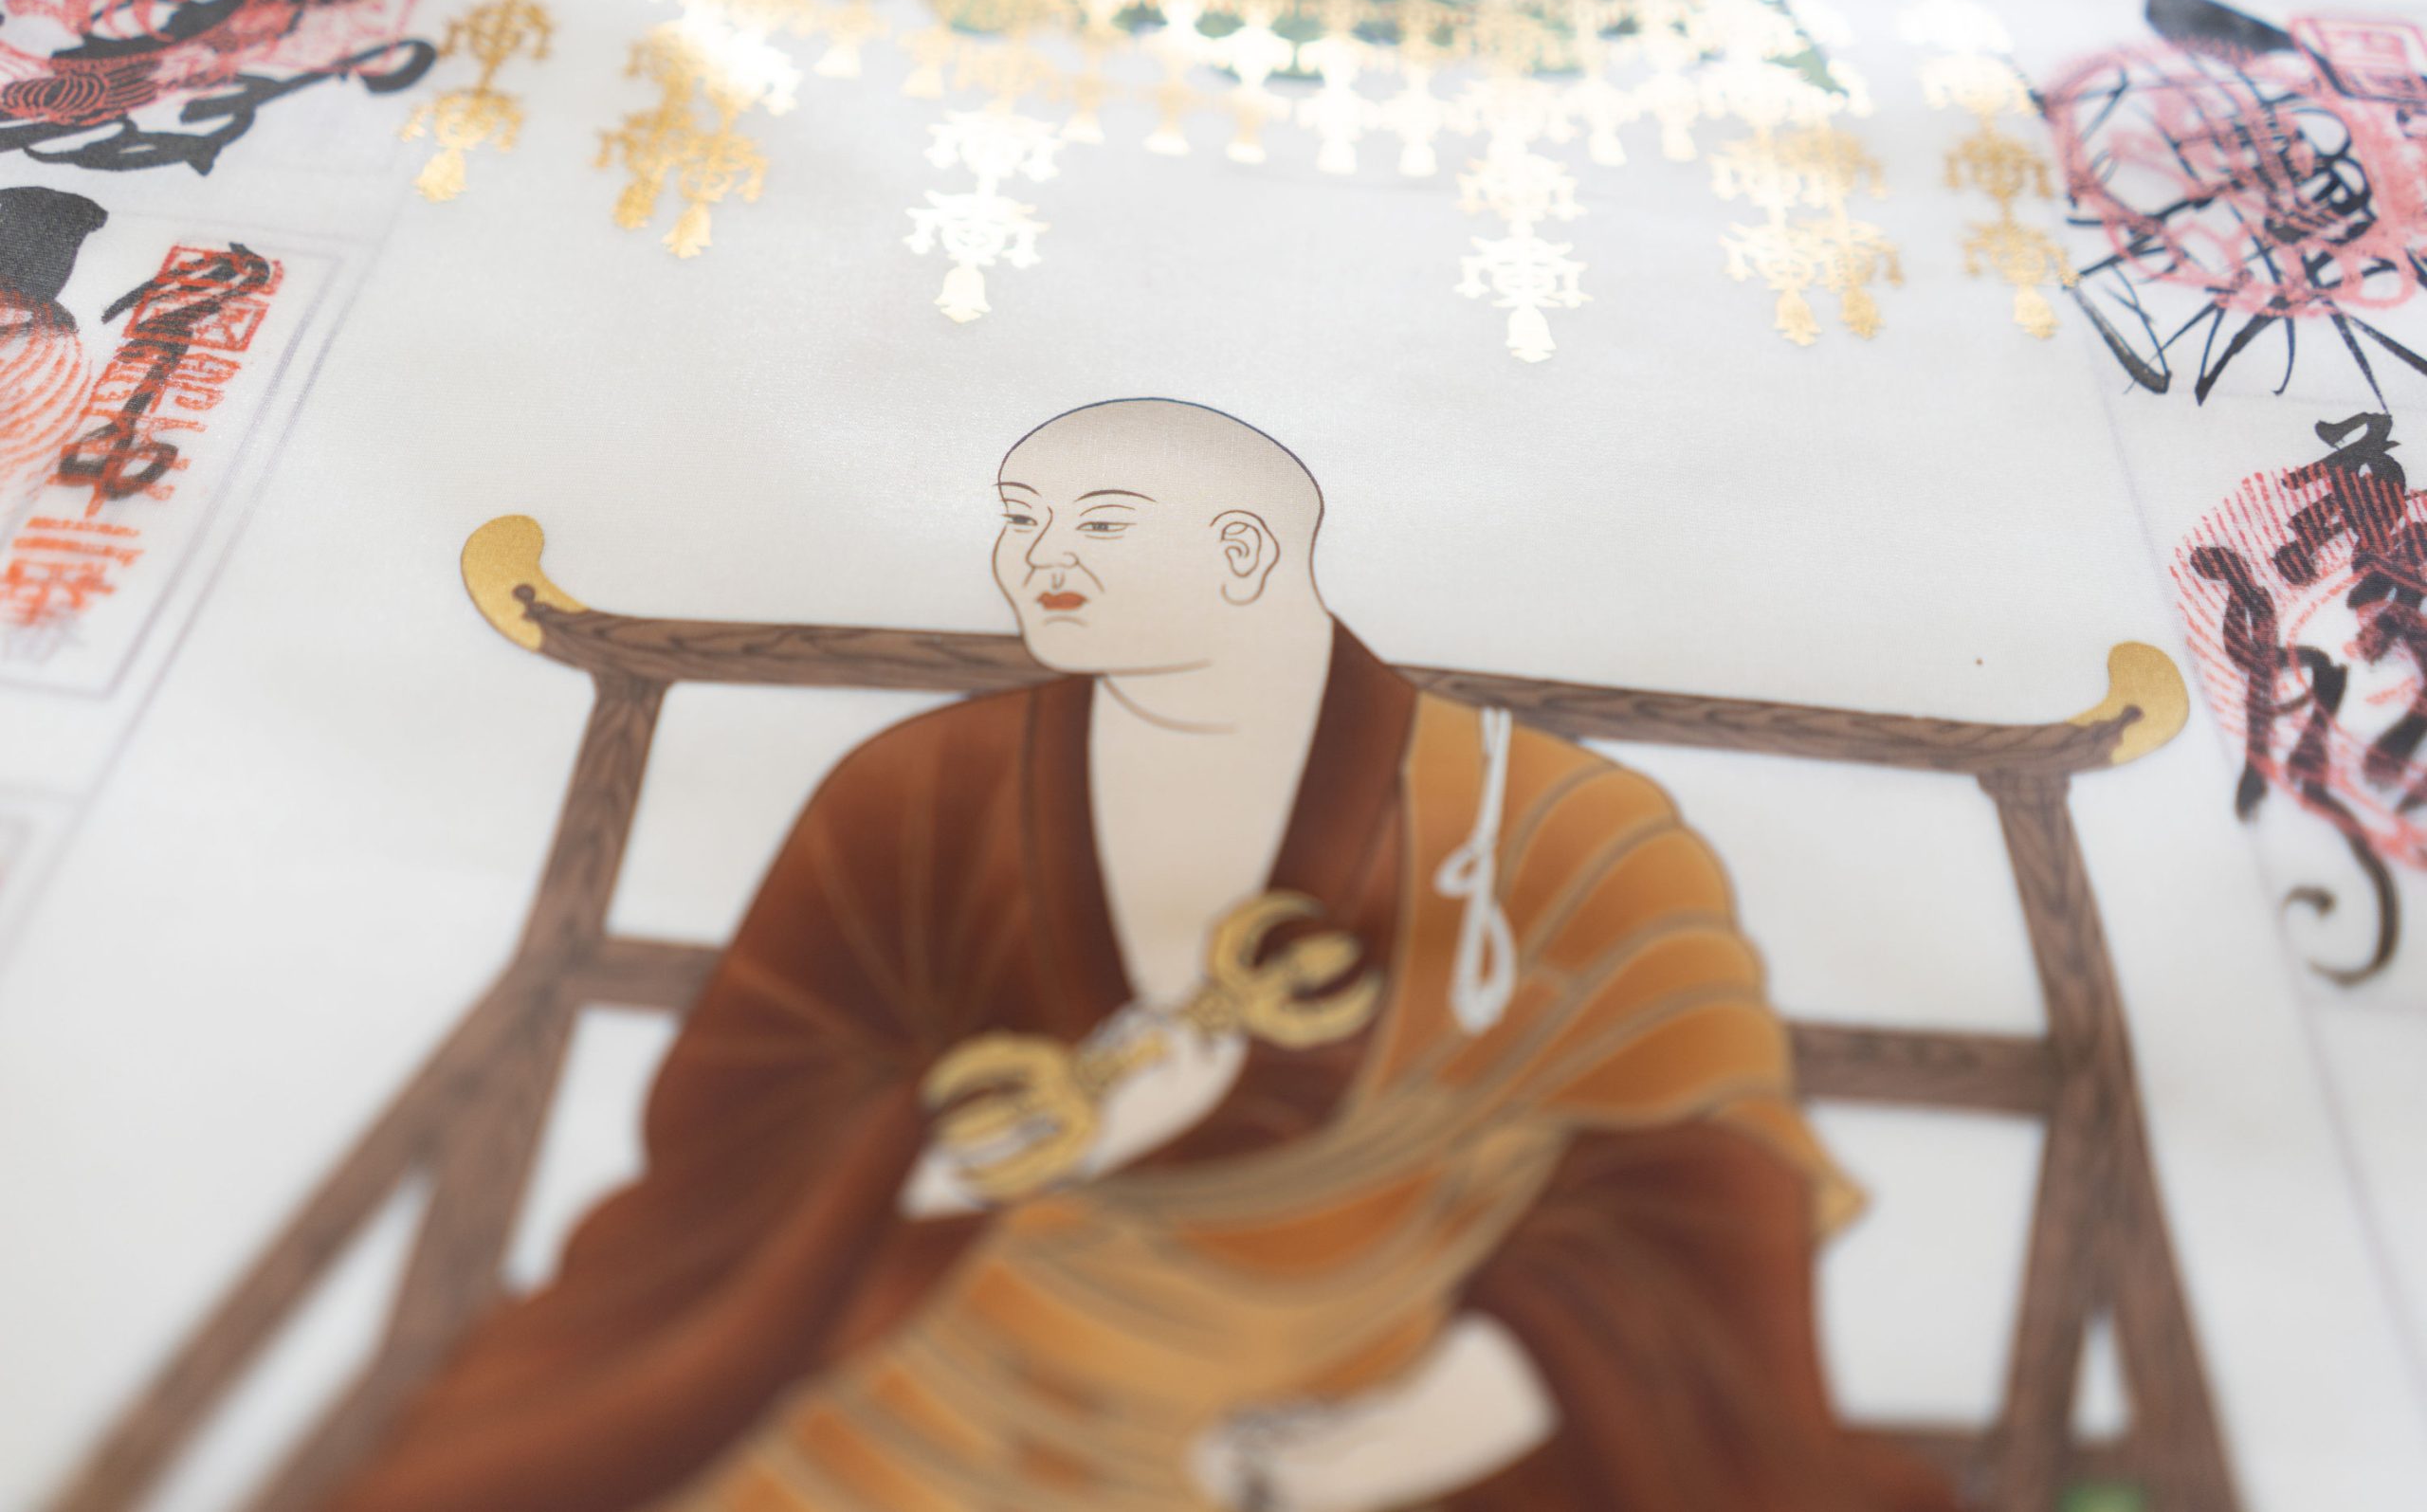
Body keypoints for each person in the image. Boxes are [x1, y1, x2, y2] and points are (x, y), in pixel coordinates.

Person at [327, 398, 1958, 1512]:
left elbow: (1695, 1180)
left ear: (1247, 554)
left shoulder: (1551, 823)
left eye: (1102, 524)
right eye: (1022, 519)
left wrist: (1402, 1439)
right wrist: (1024, 1141)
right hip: (958, 1344)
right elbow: (753, 1105)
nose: (1040, 560)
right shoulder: (922, 790)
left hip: (1368, 1375)